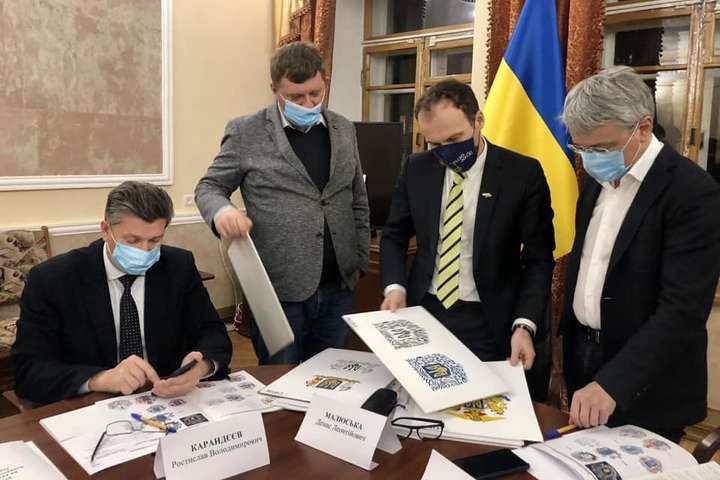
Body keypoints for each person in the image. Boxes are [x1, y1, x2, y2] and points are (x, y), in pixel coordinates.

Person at [560, 66, 720, 442]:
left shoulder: (693, 193)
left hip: (648, 382)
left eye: (600, 149)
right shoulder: (596, 182)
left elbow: (682, 311)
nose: (590, 159)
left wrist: (614, 382)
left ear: (643, 128)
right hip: (585, 357)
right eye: (581, 149)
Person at [195, 42, 370, 364]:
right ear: (274, 89)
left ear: (324, 81)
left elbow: (357, 198)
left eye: (315, 93)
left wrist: (359, 259)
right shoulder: (246, 131)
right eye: (295, 97)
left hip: (339, 285)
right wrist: (222, 211)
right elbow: (209, 187)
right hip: (278, 289)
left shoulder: (343, 128)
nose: (308, 103)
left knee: (331, 375)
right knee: (279, 376)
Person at [380, 79, 555, 369]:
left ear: (478, 121)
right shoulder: (417, 168)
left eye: (454, 139)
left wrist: (524, 324)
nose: (446, 151)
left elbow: (539, 258)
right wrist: (394, 287)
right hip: (425, 310)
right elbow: (394, 235)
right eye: (436, 144)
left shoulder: (521, 173)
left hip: (488, 319)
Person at [12, 181, 232, 405]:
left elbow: (213, 332)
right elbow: (28, 370)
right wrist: (100, 379)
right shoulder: (53, 279)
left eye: (155, 240)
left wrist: (200, 367)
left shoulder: (178, 266)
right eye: (132, 240)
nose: (144, 250)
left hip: (165, 398)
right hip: (90, 405)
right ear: (105, 230)